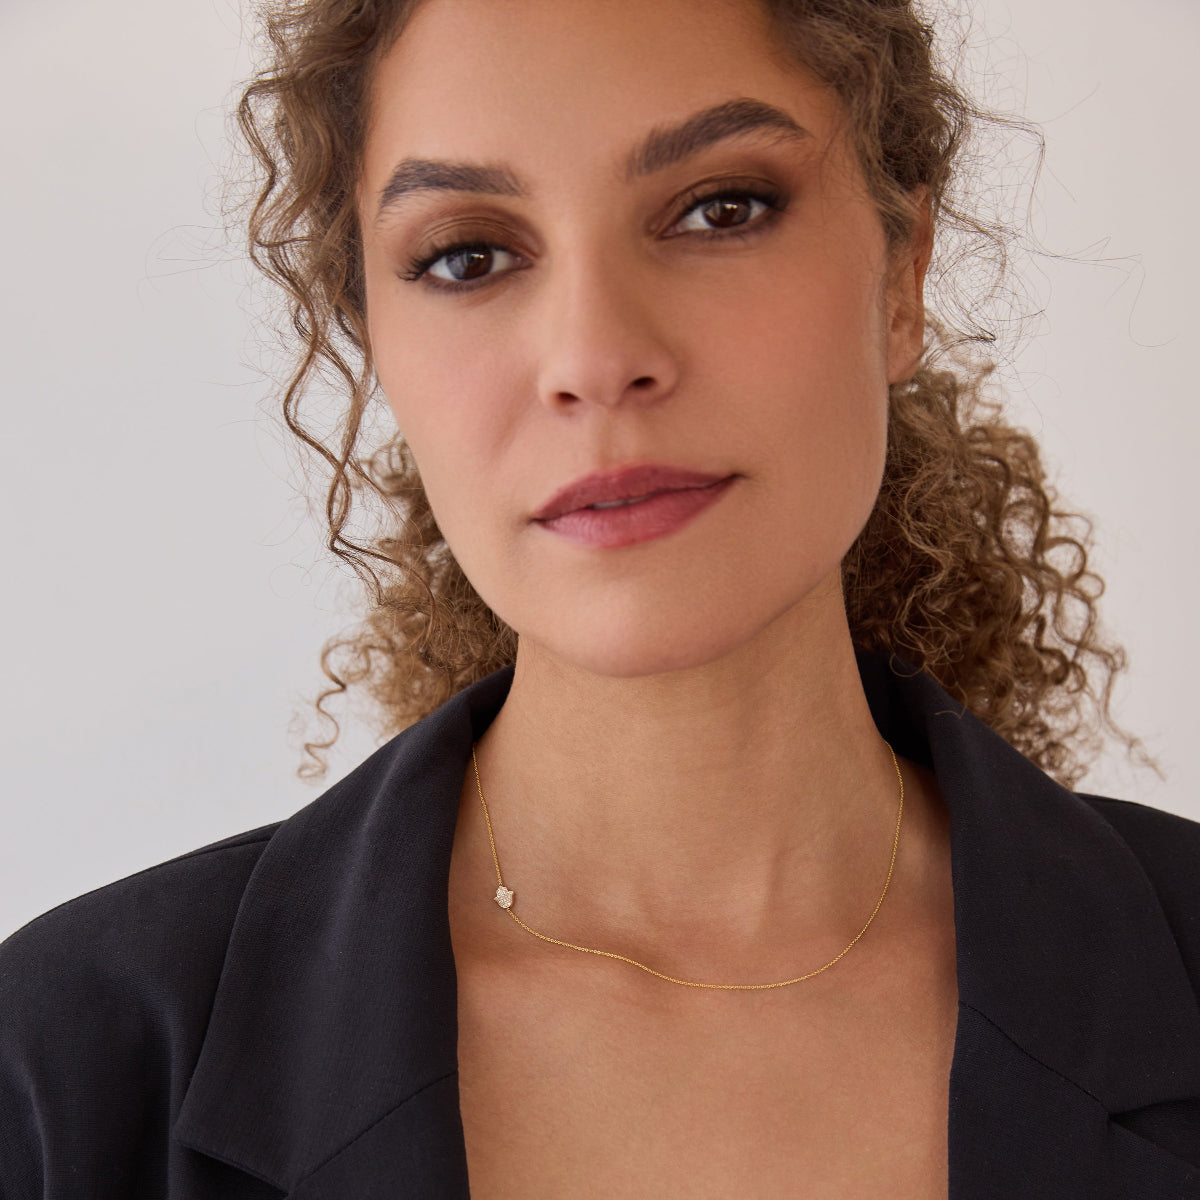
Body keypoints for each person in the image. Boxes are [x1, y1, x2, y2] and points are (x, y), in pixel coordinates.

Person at [2, 0, 1198, 1196]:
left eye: (720, 208)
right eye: (469, 256)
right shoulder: (61, 1077)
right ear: (378, 346)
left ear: (902, 277)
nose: (594, 356)